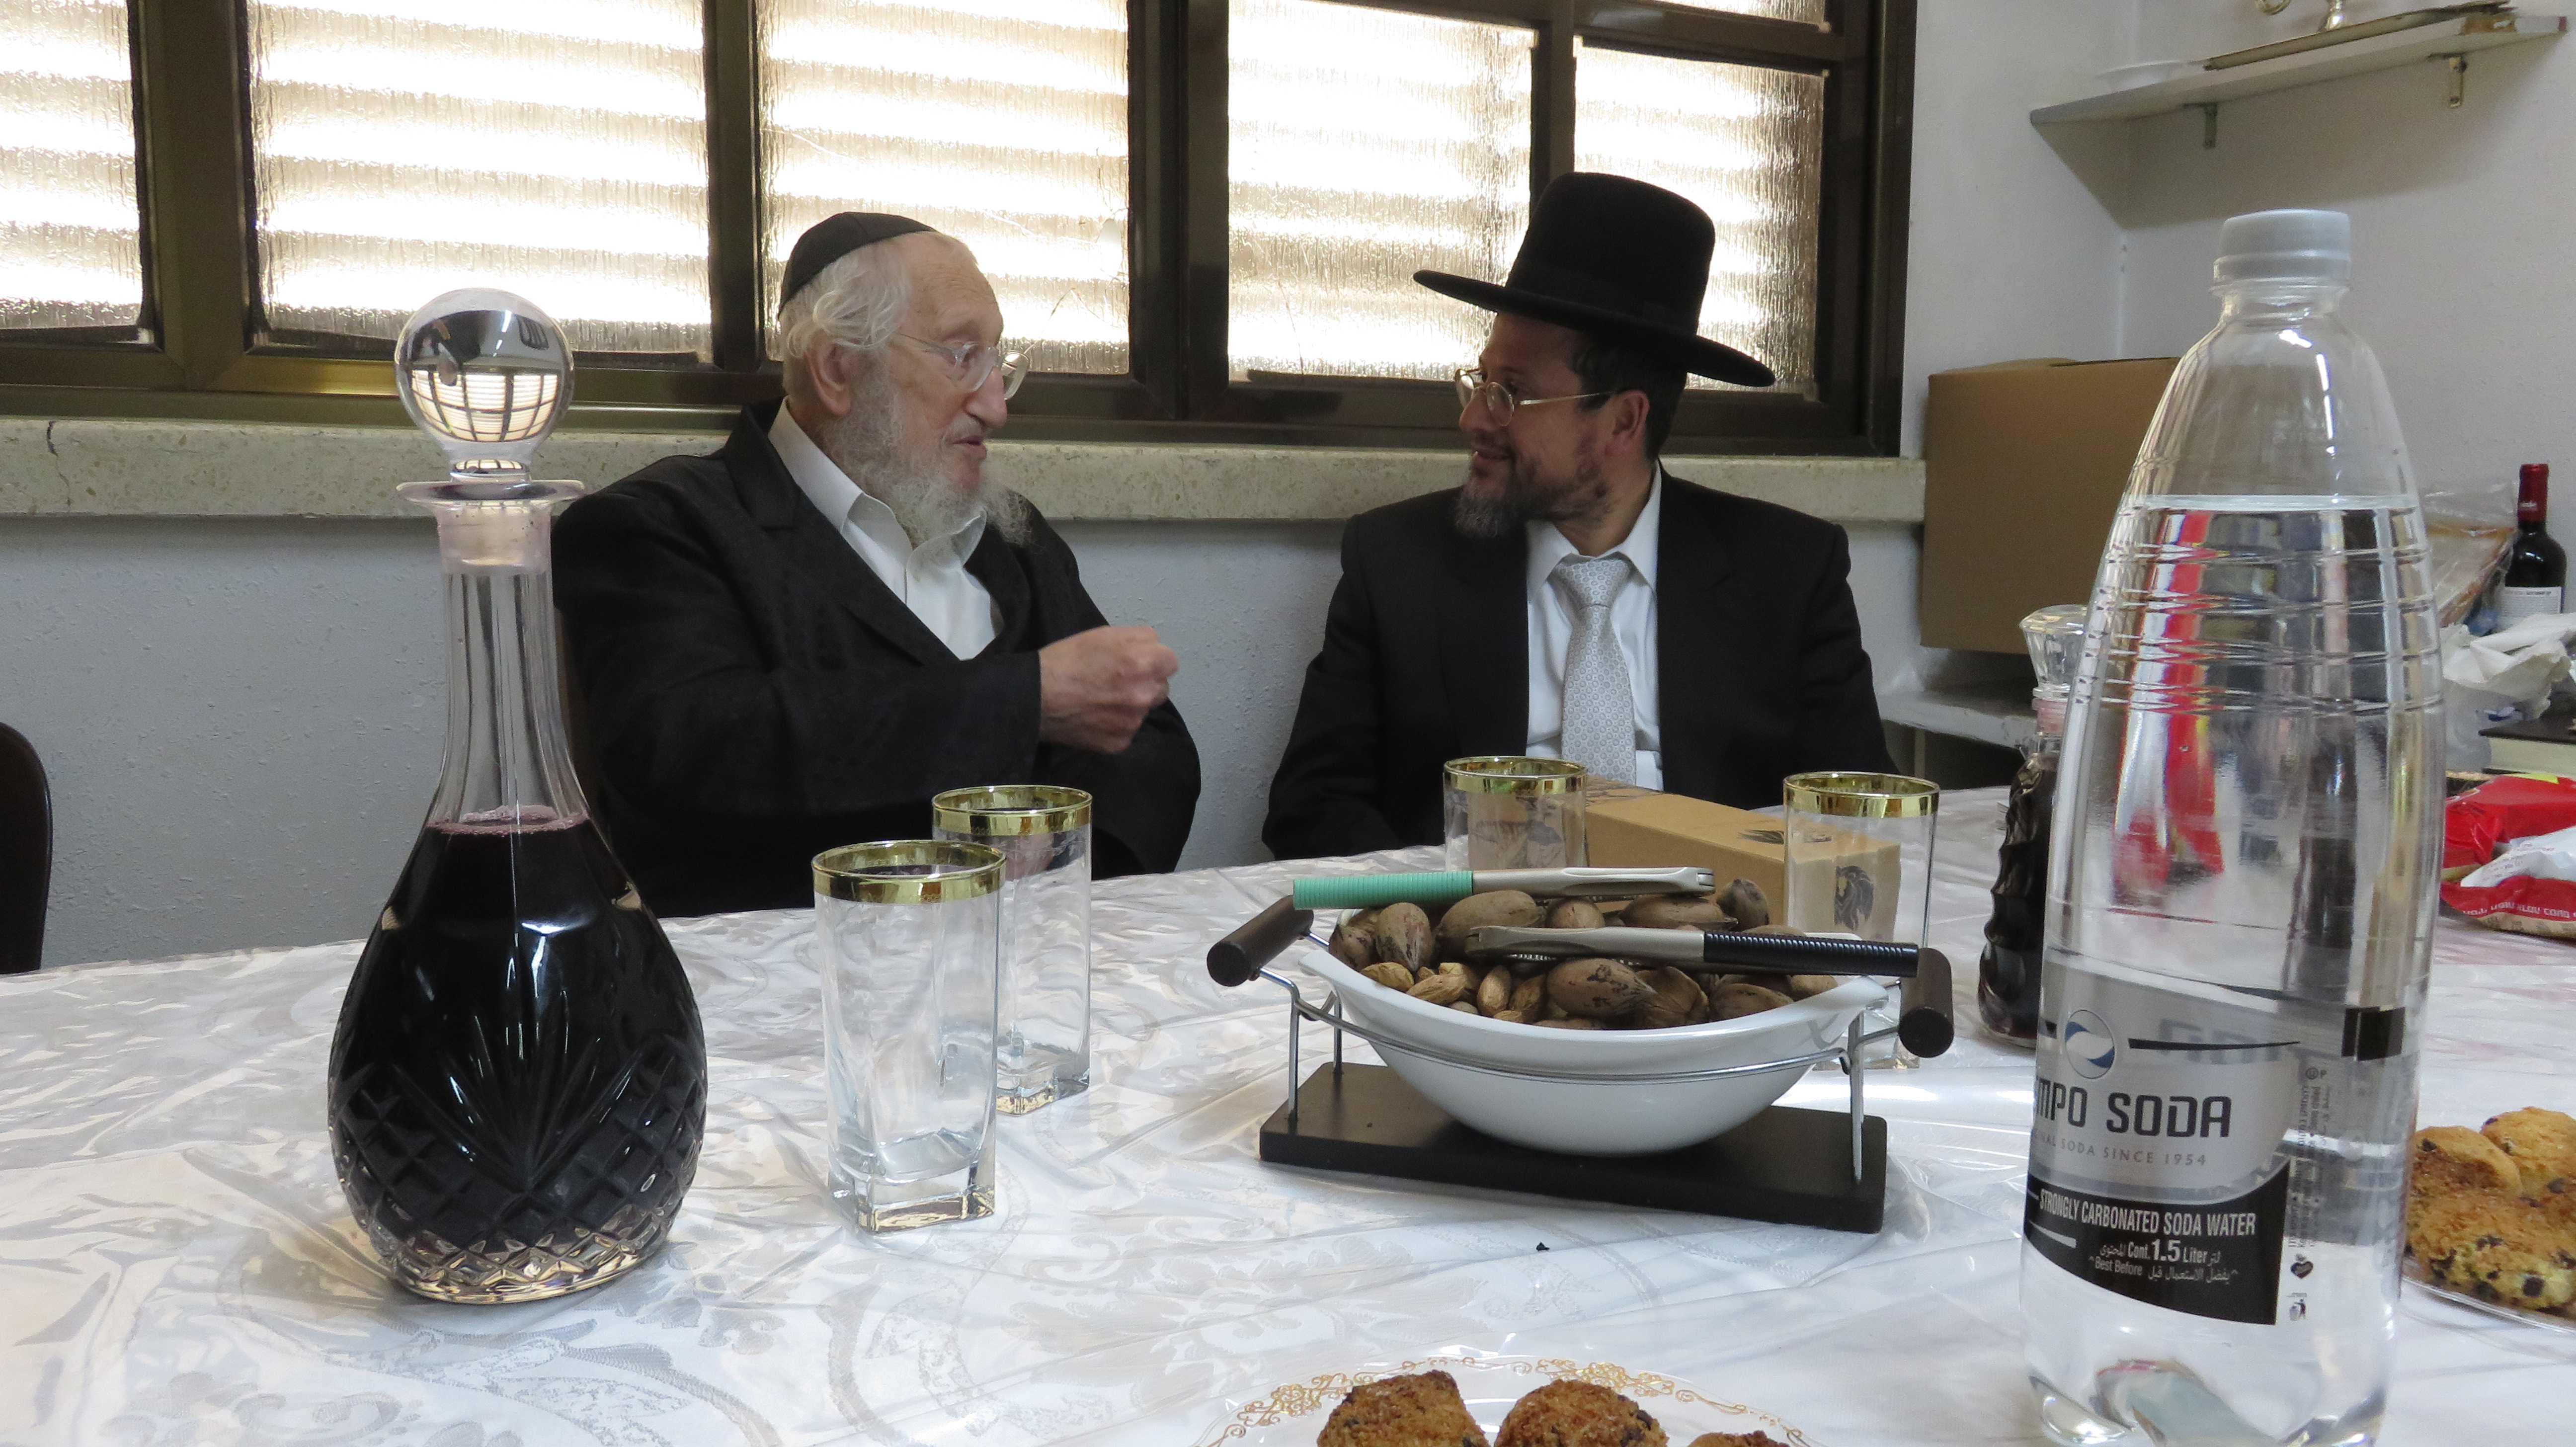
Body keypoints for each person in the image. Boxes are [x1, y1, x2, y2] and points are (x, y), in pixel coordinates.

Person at [556, 212, 1200, 915]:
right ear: (838, 368)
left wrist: (1066, 866)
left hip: (1028, 953)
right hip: (790, 967)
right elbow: (694, 746)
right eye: (962, 356)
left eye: (998, 364)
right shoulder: (662, 524)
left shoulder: (1009, 534)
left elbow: (1148, 741)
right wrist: (1025, 703)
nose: (996, 406)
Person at [1262, 173, 1893, 860]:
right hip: (1478, 914)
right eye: (1481, 382)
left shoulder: (1788, 571)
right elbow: (1312, 811)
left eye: (1512, 393)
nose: (1475, 419)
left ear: (1623, 420)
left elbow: (1857, 813)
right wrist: (1450, 900)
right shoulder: (1399, 562)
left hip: (1714, 912)